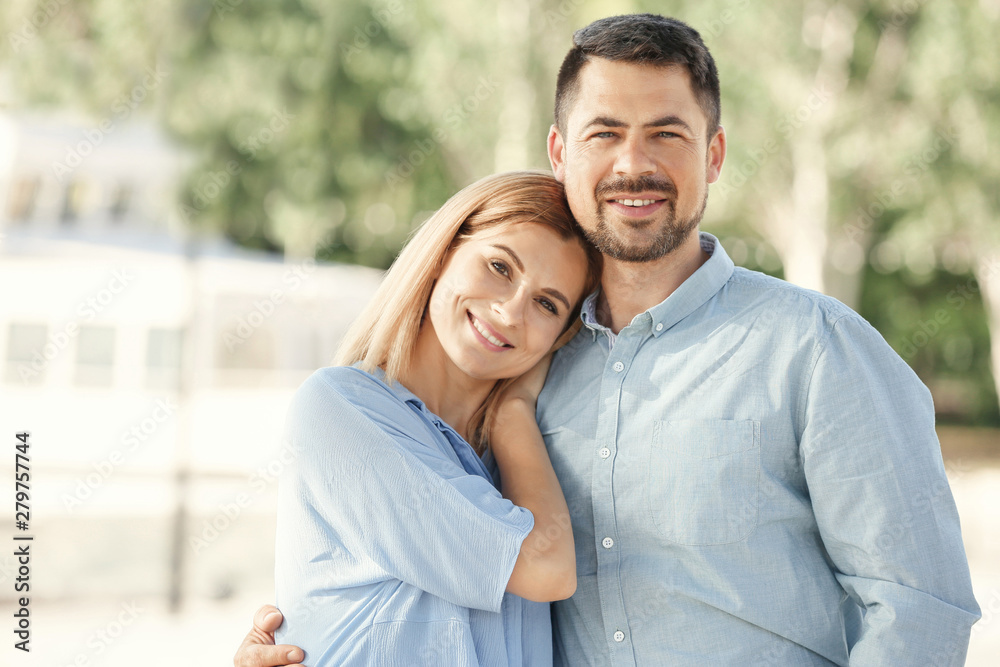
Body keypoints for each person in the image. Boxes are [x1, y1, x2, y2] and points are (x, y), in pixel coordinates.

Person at [236, 14, 981, 667]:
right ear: (560, 152)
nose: (634, 163)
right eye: (605, 133)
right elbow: (401, 557)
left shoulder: (817, 349)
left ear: (713, 156)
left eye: (667, 133)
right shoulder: (523, 368)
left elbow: (919, 607)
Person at [263, 170, 600, 667]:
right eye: (499, 266)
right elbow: (546, 567)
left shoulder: (522, 467)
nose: (510, 313)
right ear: (444, 252)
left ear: (559, 337)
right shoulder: (340, 407)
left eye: (547, 304)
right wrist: (513, 414)